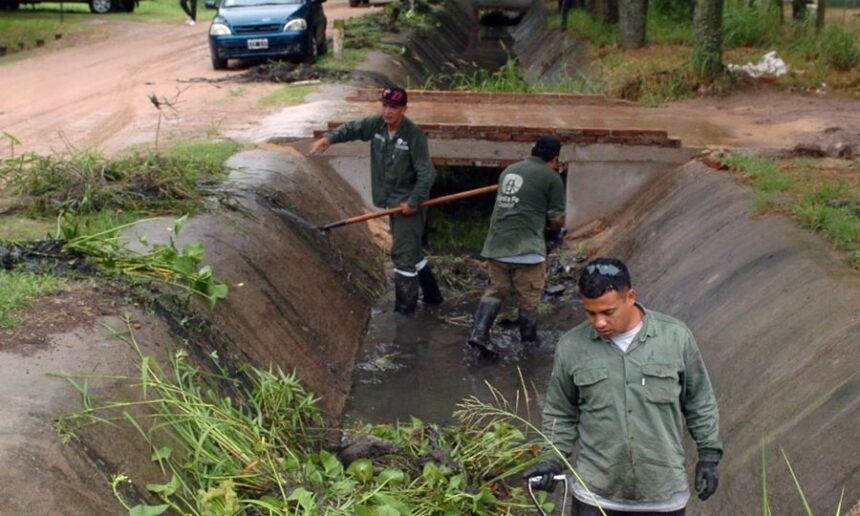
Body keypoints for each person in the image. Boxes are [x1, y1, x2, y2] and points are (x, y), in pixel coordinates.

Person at [523, 257, 722, 515]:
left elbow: (699, 401)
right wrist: (552, 460)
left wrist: (708, 455)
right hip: (594, 496)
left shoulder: (675, 338)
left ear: (630, 297)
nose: (599, 322)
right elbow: (560, 413)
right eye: (591, 313)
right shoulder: (571, 347)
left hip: (662, 494)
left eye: (608, 312)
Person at [307, 87, 443, 315]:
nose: (388, 111)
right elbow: (353, 128)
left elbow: (427, 174)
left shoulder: (414, 135)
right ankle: (434, 299)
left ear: (404, 109)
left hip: (408, 204)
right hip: (390, 199)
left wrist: (413, 202)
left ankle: (404, 316)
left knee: (402, 256)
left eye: (394, 107)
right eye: (385, 105)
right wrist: (329, 139)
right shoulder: (377, 125)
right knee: (412, 251)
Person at [468, 135, 565, 353]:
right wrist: (554, 235)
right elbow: (556, 219)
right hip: (527, 250)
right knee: (529, 298)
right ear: (555, 158)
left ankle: (479, 335)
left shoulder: (509, 171)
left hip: (496, 246)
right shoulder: (552, 178)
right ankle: (529, 344)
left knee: (496, 290)